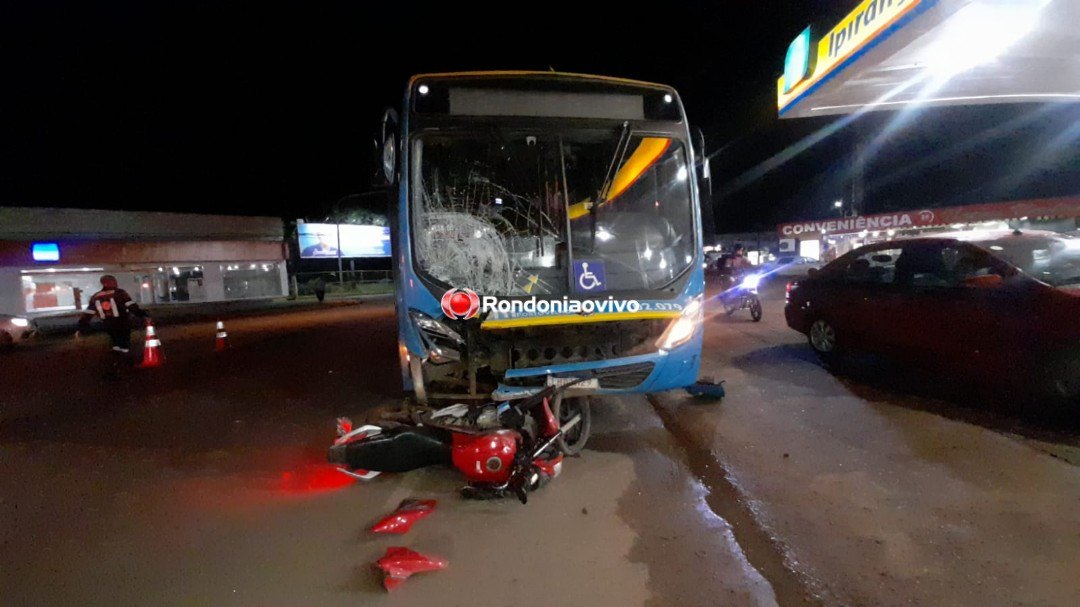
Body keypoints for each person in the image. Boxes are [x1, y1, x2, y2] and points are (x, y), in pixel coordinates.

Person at [76, 275, 149, 377]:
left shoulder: (95, 296)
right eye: (114, 281)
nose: (116, 283)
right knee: (124, 345)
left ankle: (116, 365)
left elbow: (89, 312)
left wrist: (83, 324)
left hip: (108, 325)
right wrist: (142, 314)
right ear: (109, 282)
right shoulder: (120, 293)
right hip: (122, 323)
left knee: (116, 343)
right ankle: (121, 367)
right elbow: (131, 306)